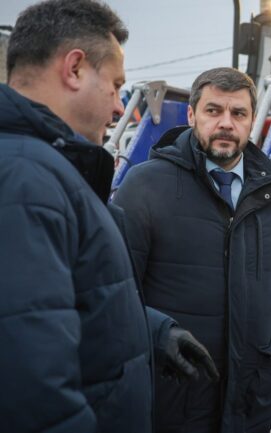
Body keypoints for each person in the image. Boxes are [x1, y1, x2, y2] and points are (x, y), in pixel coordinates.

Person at [0, 1, 218, 432]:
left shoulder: (45, 171)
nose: (120, 108)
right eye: (116, 86)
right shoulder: (25, 184)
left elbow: (64, 302)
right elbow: (33, 388)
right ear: (74, 68)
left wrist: (151, 332)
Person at [112, 67, 271, 433]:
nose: (226, 123)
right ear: (191, 115)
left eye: (238, 113)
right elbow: (113, 291)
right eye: (213, 110)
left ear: (252, 120)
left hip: (251, 404)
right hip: (171, 405)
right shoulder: (144, 187)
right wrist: (159, 339)